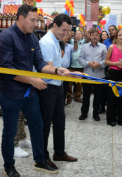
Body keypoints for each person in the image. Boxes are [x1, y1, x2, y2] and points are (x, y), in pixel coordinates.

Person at [0, 4, 68, 176]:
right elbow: (7, 70)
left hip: (29, 93)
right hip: (10, 93)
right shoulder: (6, 37)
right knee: (10, 130)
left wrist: (58, 70)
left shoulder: (33, 38)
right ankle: (9, 165)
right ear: (21, 18)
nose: (36, 24)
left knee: (38, 126)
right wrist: (32, 80)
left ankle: (40, 160)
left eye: (37, 20)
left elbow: (40, 64)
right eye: (33, 20)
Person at [37, 14, 80, 173]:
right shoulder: (47, 43)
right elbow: (47, 71)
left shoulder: (57, 41)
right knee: (45, 124)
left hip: (58, 86)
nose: (65, 33)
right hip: (47, 87)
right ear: (54, 25)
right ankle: (42, 157)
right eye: (63, 30)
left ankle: (59, 152)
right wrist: (68, 73)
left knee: (60, 121)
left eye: (68, 31)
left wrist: (67, 74)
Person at [78, 29, 107, 121]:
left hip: (99, 75)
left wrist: (99, 64)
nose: (95, 36)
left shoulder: (103, 47)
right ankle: (84, 113)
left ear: (99, 37)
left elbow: (106, 61)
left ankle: (95, 114)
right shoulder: (84, 47)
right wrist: (87, 63)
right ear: (90, 36)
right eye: (93, 35)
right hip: (87, 75)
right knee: (86, 95)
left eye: (96, 35)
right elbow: (80, 59)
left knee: (98, 96)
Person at [105, 29, 122, 127]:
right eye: (119, 35)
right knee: (111, 96)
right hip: (113, 73)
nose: (121, 37)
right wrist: (115, 63)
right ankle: (111, 119)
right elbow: (106, 61)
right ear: (117, 37)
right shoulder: (112, 47)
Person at [66, 24, 91, 104]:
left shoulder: (83, 42)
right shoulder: (71, 41)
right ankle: (69, 96)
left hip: (80, 66)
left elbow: (88, 37)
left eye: (80, 33)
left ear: (82, 35)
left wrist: (84, 28)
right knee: (69, 83)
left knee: (79, 83)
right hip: (72, 65)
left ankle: (77, 97)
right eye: (77, 33)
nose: (78, 34)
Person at [99, 25, 117, 114]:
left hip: (117, 69)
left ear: (116, 31)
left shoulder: (120, 41)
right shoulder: (106, 42)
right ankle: (102, 107)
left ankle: (115, 109)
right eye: (110, 30)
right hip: (106, 69)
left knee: (115, 89)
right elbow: (103, 55)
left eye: (113, 30)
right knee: (104, 89)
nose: (111, 32)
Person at [61, 30, 77, 106]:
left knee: (65, 88)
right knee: (59, 88)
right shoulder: (59, 44)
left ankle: (63, 103)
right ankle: (59, 104)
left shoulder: (69, 46)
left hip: (67, 70)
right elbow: (63, 42)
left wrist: (75, 40)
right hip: (59, 70)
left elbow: (75, 49)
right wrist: (68, 35)